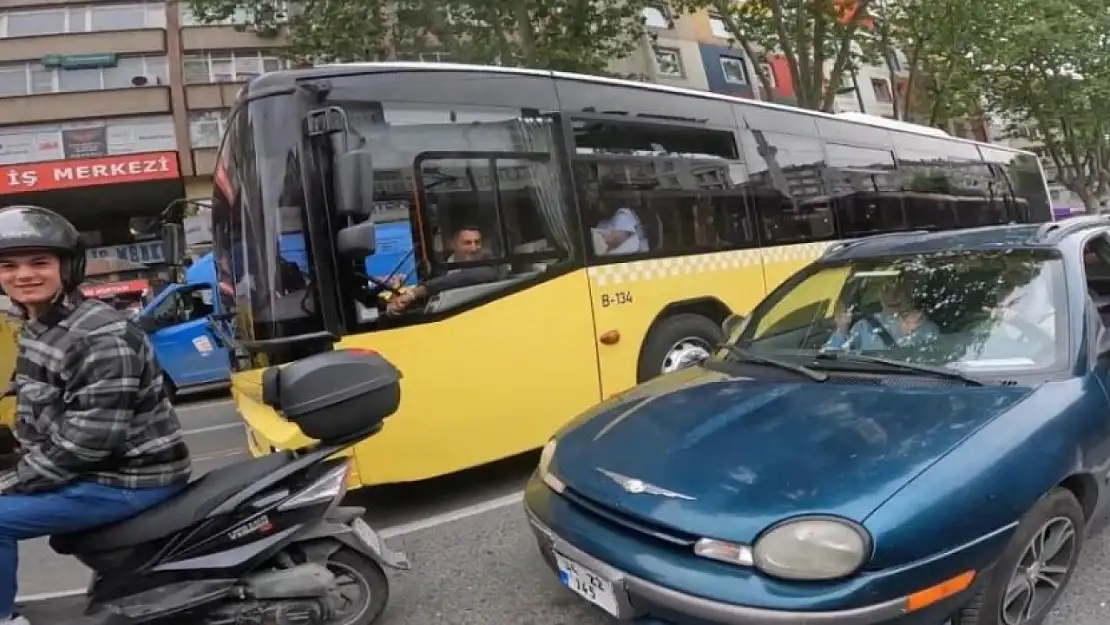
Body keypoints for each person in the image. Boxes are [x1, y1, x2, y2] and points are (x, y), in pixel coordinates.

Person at [0, 205, 191, 625]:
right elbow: (37, 401)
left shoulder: (98, 335)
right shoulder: (38, 324)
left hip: (129, 479)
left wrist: (10, 481)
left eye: (39, 263)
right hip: (94, 470)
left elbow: (88, 442)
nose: (23, 275)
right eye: (9, 265)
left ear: (67, 268)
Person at [386, 225, 499, 315]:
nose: (473, 248)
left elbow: (464, 278)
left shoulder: (487, 261)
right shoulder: (435, 263)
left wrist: (415, 293)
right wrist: (397, 305)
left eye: (477, 242)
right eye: (467, 243)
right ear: (452, 244)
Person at [823, 281, 939, 352]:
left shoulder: (928, 329)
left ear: (910, 296)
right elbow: (830, 356)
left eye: (899, 291)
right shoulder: (865, 326)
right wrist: (842, 328)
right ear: (880, 296)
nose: (892, 296)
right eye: (886, 290)